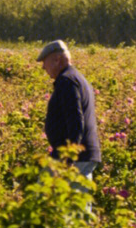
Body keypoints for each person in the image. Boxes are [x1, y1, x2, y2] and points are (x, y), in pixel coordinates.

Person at [37, 39, 101, 182]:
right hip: (79, 154)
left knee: (44, 195)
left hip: (73, 156)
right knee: (74, 200)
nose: (43, 68)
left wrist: (69, 156)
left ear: (57, 60)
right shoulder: (76, 78)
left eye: (44, 62)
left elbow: (76, 121)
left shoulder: (67, 81)